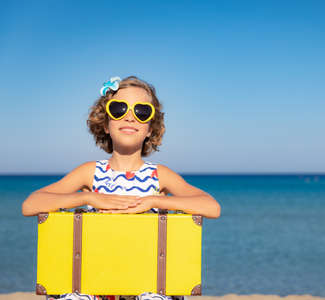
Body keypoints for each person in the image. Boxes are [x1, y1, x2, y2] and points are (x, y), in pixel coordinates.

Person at [22, 76, 221, 300]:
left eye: (142, 112)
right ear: (106, 124)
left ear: (149, 129)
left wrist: (155, 201)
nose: (130, 117)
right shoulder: (90, 172)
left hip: (147, 283)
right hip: (97, 281)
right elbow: (31, 204)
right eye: (119, 109)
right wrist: (88, 198)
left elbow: (211, 207)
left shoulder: (160, 175)